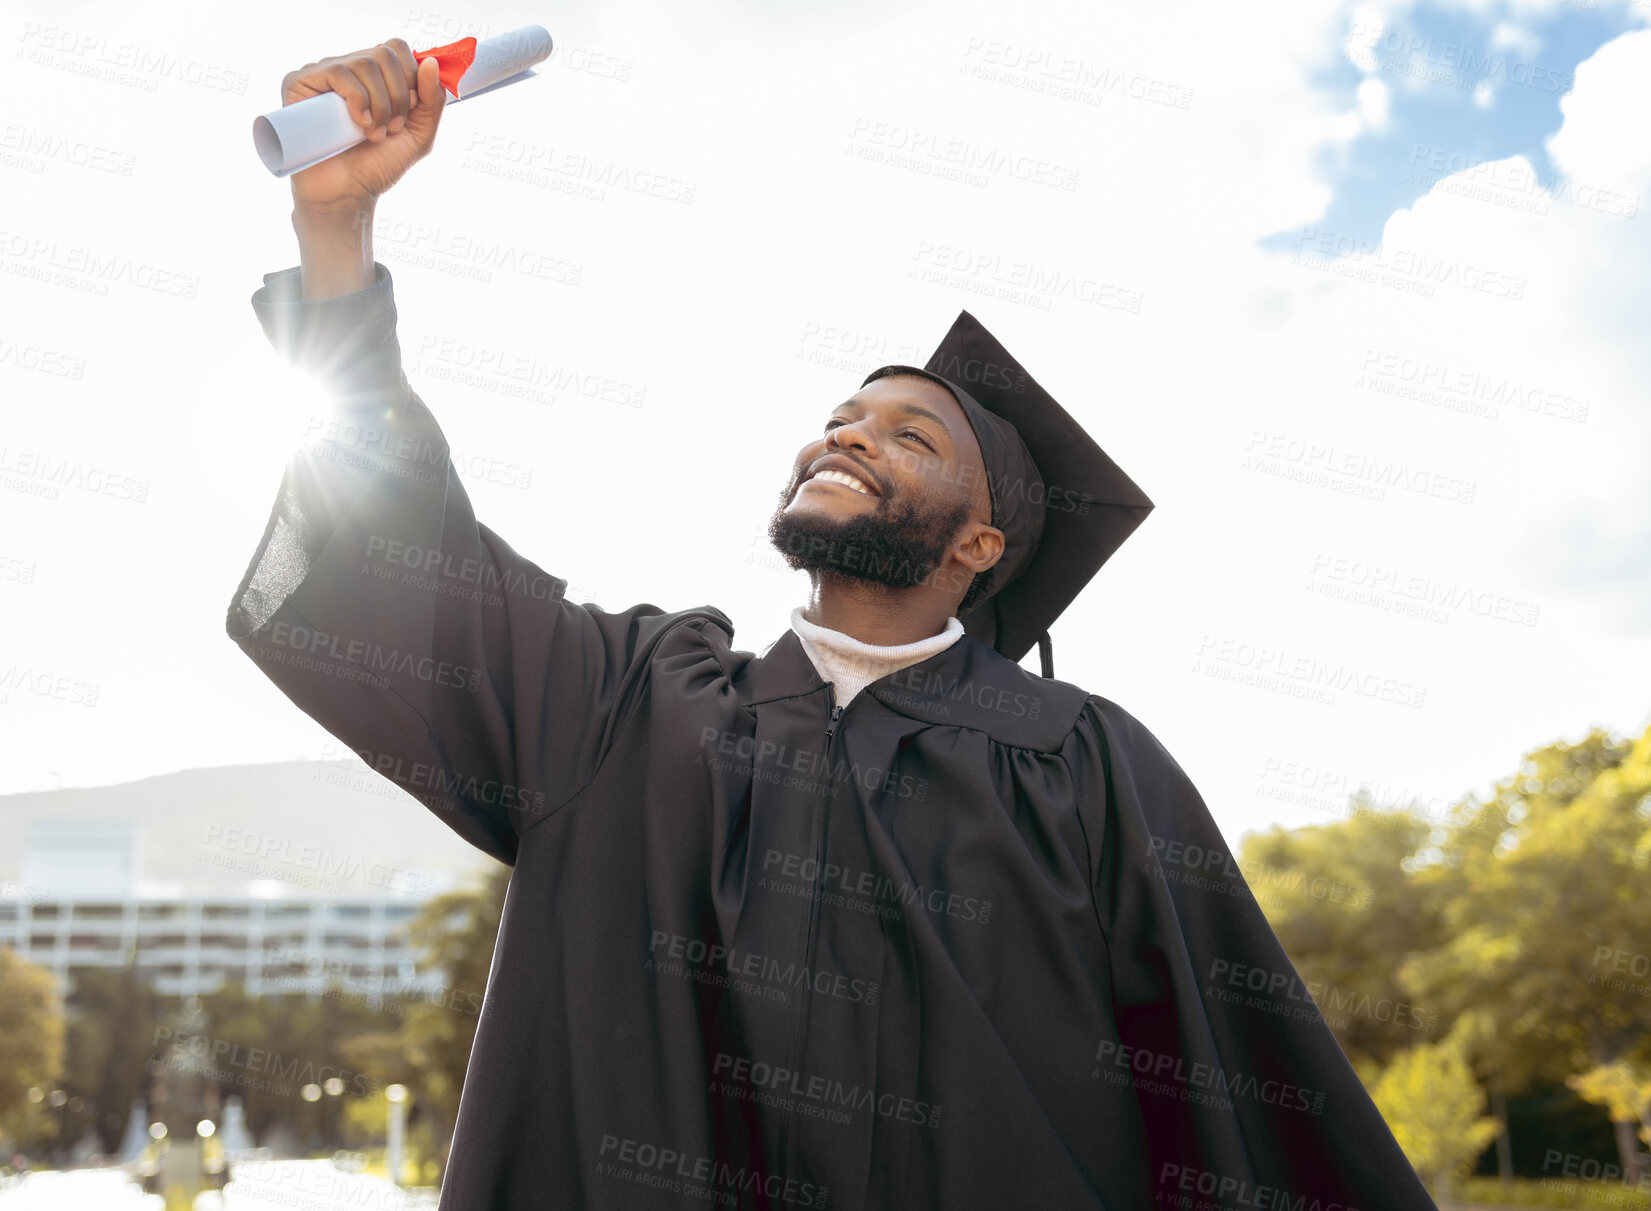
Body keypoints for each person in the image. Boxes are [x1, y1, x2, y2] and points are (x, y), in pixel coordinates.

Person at [227, 40, 1439, 1211]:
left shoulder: (1085, 761)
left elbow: (1247, 1102)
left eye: (910, 435)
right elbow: (404, 553)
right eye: (842, 416)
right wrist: (336, 230)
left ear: (979, 544)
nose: (847, 434)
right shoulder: (629, 702)